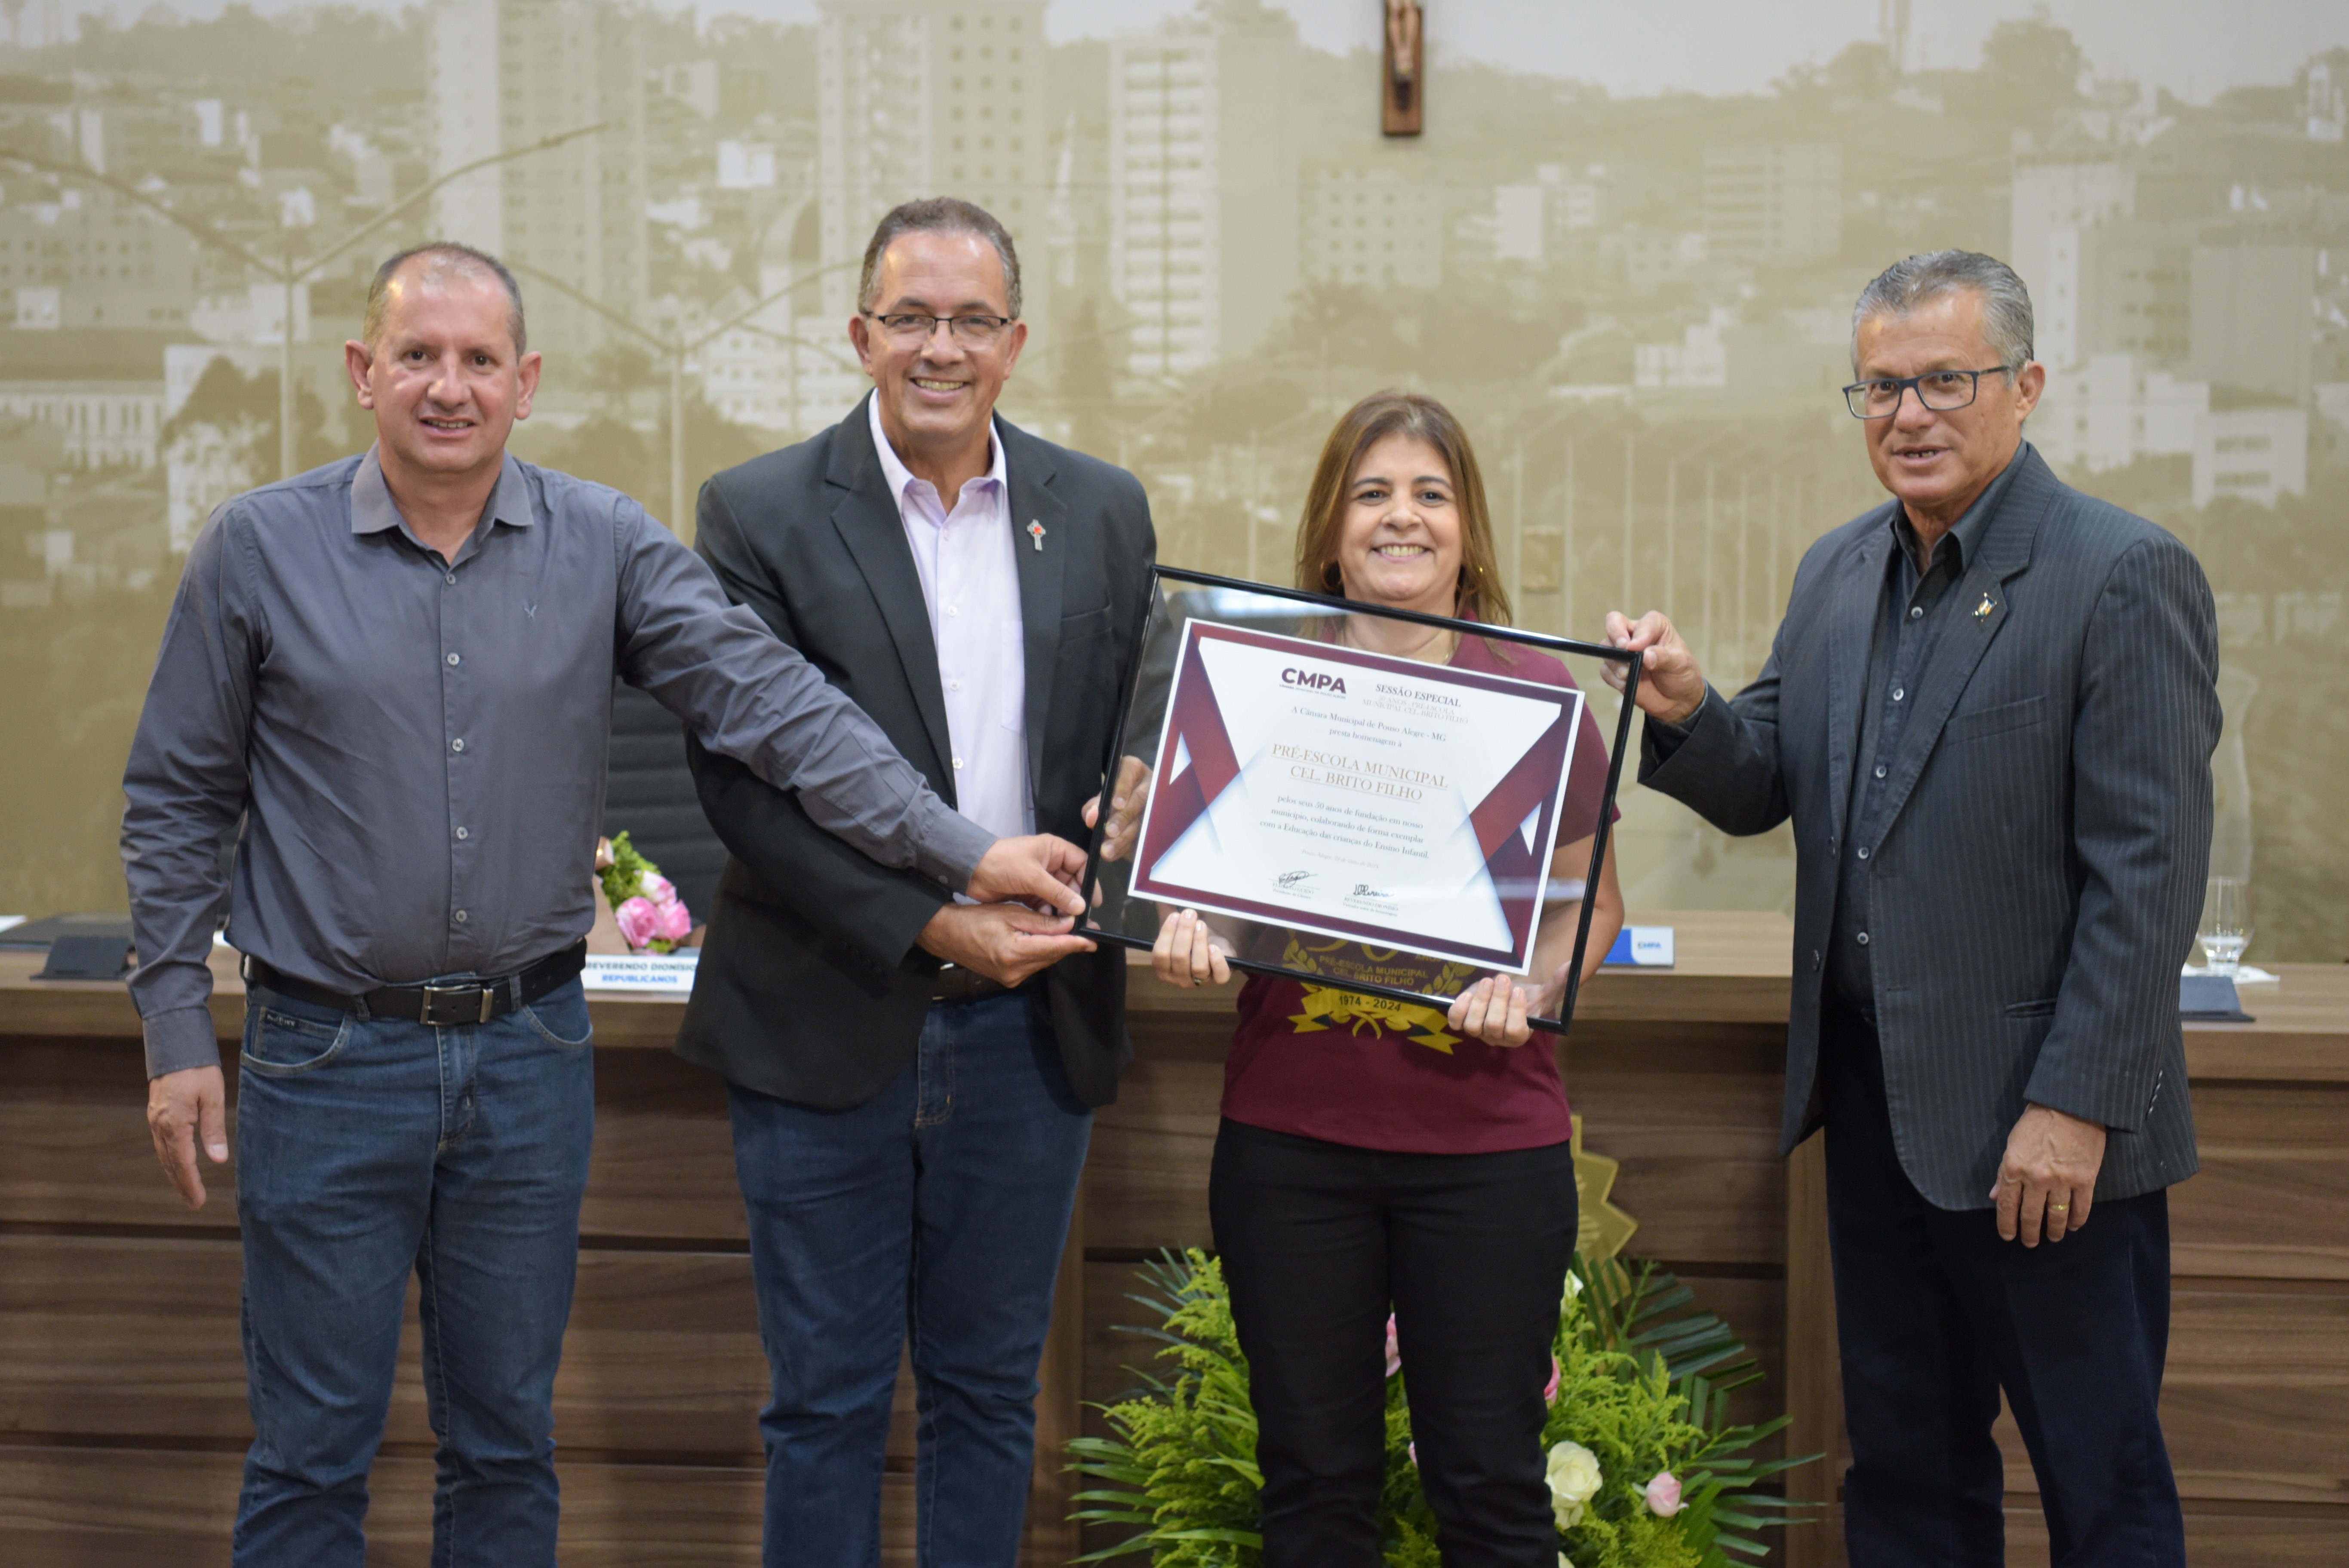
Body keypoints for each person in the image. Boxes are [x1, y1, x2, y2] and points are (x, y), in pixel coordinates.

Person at [122, 243, 1090, 1568]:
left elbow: (780, 713)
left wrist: (961, 850)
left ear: (526, 384)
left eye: (477, 361)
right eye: (417, 355)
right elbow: (174, 799)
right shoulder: (258, 550)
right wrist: (177, 1029)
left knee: (509, 1448)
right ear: (363, 374)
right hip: (326, 1058)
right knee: (309, 1454)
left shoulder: (606, 546)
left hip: (527, 1058)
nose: (447, 387)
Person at [1607, 249, 2217, 1567]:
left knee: (2099, 1488)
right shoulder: (1838, 574)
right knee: (1903, 1479)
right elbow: (1769, 772)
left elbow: (2150, 873)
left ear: (2027, 385)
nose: (1910, 416)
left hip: (2051, 1140)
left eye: (1947, 380)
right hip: (1878, 1119)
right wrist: (1689, 710)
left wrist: (2074, 1108)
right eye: (1881, 388)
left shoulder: (2122, 574)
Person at [673, 197, 1158, 1566]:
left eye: (969, 323)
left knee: (990, 1398)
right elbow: (741, 784)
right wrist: (936, 919)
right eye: (910, 319)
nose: (939, 348)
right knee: (822, 1406)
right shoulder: (758, 512)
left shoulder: (1103, 508)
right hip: (828, 1013)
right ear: (859, 336)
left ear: (1015, 343)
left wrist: (1135, 800)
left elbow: (1138, 726)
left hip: (1031, 1030)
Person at [1153, 390, 1625, 1565]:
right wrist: (1180, 920)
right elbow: (1188, 880)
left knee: (1490, 1488)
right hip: (1291, 1146)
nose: (1400, 518)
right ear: (1329, 526)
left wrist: (1534, 979)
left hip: (1488, 1153)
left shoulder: (1539, 699)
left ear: (1468, 528)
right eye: (1372, 493)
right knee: (1312, 1489)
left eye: (1429, 493)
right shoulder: (1253, 684)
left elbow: (1596, 906)